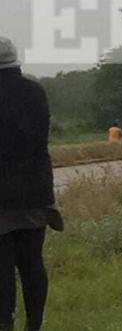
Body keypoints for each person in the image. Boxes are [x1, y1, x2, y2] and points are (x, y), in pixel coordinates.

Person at [0, 37, 60, 331]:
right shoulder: (35, 91)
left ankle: (5, 323)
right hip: (35, 194)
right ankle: (34, 325)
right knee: (32, 263)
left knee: (2, 269)